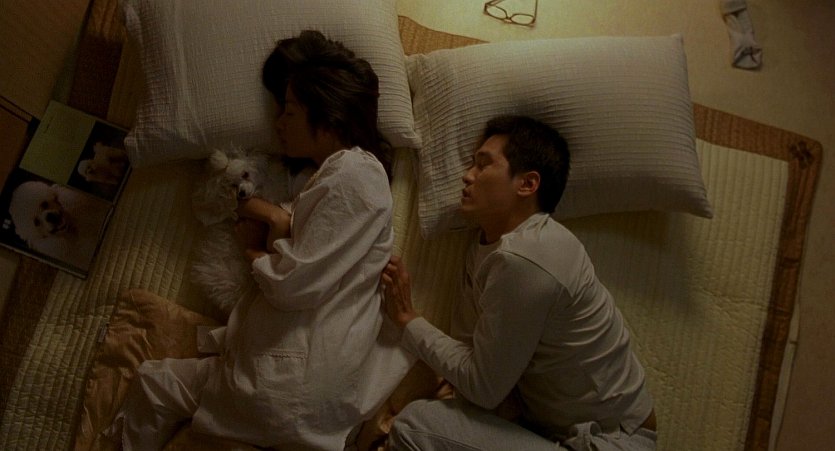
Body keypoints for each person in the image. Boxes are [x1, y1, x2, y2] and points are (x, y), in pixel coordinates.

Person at [114, 30, 412, 450]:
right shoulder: (338, 178)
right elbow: (307, 241)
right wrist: (270, 215)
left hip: (291, 387)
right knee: (158, 384)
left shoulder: (355, 173)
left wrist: (255, 252)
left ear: (327, 115)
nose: (278, 124)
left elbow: (296, 281)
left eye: (289, 111)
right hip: (303, 384)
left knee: (155, 385)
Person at [381, 115, 657, 450]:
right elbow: (472, 367)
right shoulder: (484, 249)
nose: (467, 175)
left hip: (613, 442)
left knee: (414, 426)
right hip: (553, 435)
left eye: (483, 164)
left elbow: (483, 387)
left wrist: (408, 321)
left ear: (527, 184)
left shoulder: (530, 256)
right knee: (431, 420)